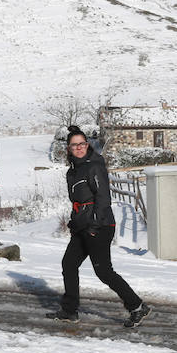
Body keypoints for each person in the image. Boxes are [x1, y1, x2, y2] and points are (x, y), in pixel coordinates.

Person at [46, 125, 150, 327]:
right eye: (74, 145)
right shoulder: (72, 172)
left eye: (82, 144)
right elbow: (78, 201)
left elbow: (103, 198)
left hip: (99, 225)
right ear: (68, 148)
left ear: (87, 145)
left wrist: (94, 225)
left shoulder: (94, 165)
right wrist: (75, 221)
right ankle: (69, 310)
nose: (79, 148)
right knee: (69, 264)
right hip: (82, 226)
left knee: (103, 271)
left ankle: (137, 306)